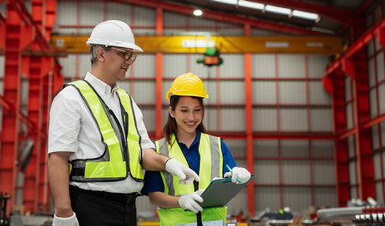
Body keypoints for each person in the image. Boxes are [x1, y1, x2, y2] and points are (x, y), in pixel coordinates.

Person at [47, 20, 199, 226]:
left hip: (127, 209)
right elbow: (58, 157)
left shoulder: (126, 101)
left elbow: (144, 152)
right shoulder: (71, 98)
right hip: (90, 207)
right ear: (101, 54)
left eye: (131, 55)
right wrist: (63, 213)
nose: (129, 61)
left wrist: (168, 164)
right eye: (123, 54)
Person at [141, 72, 252, 226]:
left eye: (197, 110)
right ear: (172, 111)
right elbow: (154, 196)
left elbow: (230, 187)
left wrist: (238, 178)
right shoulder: (158, 150)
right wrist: (181, 201)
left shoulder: (217, 145)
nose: (191, 117)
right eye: (184, 110)